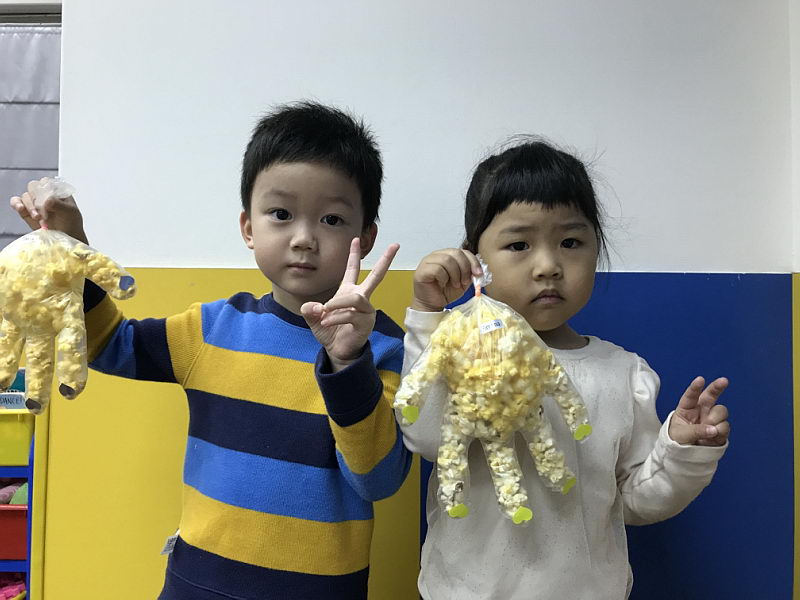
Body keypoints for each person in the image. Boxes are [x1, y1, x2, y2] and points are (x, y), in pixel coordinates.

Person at [10, 101, 411, 600]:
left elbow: (379, 481)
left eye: (332, 219)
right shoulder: (213, 328)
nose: (304, 239)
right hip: (196, 585)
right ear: (249, 228)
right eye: (281, 214)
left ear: (365, 238)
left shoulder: (382, 346)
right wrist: (76, 252)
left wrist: (348, 364)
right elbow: (112, 345)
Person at [400, 138, 730, 599]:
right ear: (476, 262)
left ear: (597, 249)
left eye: (570, 242)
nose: (548, 266)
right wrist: (427, 314)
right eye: (519, 244)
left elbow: (635, 500)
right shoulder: (464, 351)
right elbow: (424, 436)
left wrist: (681, 450)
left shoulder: (624, 374)